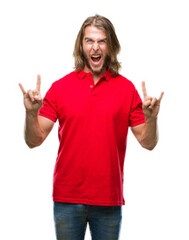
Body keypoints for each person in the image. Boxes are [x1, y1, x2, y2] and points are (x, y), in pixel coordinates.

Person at [18, 14, 162, 240]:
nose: (95, 47)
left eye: (102, 41)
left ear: (110, 46)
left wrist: (152, 119)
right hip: (67, 198)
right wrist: (30, 113)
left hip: (108, 199)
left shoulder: (126, 89)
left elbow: (148, 142)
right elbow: (34, 140)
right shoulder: (60, 88)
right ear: (81, 45)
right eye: (89, 41)